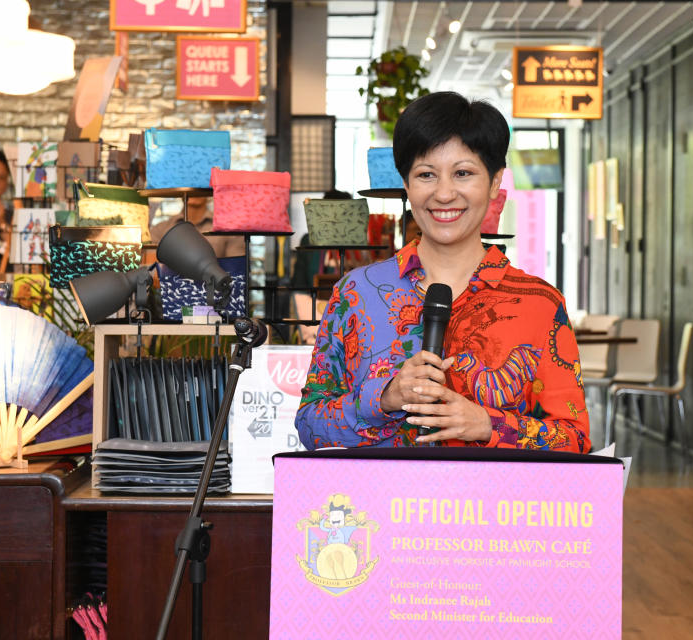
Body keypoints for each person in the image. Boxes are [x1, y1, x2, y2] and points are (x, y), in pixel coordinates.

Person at [294, 92, 590, 452]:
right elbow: (310, 428)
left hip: (492, 508)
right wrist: (384, 399)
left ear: (495, 182)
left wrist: (488, 425)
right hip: (377, 506)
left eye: (463, 173)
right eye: (426, 175)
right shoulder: (356, 293)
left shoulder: (539, 304)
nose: (444, 193)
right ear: (406, 184)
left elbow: (574, 438)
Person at [149, 196, 243, 258]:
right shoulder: (160, 230)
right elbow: (152, 271)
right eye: (188, 182)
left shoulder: (228, 229)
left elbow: (236, 272)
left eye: (199, 183)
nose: (193, 188)